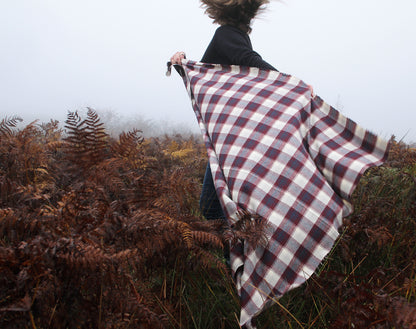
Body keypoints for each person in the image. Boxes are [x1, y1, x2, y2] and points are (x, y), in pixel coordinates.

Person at [171, 0, 275, 223]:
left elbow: (249, 61)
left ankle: (237, 253)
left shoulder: (225, 34)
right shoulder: (236, 36)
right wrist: (183, 65)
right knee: (225, 205)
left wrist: (288, 82)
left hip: (231, 140)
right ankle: (240, 250)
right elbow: (208, 78)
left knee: (211, 207)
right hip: (230, 137)